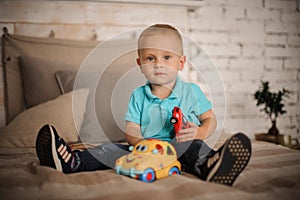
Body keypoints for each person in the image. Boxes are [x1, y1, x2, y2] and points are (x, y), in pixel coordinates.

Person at [36, 24, 251, 186]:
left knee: (196, 148)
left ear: (181, 63)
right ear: (140, 64)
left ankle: (210, 166)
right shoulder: (138, 96)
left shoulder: (191, 92)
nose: (158, 64)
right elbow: (131, 130)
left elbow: (210, 118)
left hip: (179, 148)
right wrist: (141, 144)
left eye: (167, 57)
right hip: (144, 151)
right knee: (109, 149)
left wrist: (200, 132)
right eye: (150, 58)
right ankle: (70, 161)